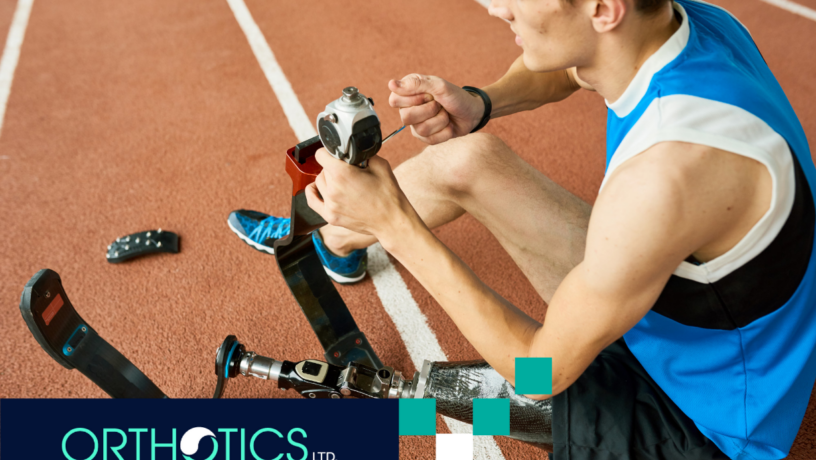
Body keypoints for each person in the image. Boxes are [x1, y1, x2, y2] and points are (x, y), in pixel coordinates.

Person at [227, 0, 816, 458]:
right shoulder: (686, 26)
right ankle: (333, 238)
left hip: (702, 422)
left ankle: (370, 231)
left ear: (603, 9)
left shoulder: (668, 175)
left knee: (448, 399)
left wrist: (399, 227)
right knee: (466, 160)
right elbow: (574, 70)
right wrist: (482, 103)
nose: (495, 7)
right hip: (676, 304)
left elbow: (540, 373)